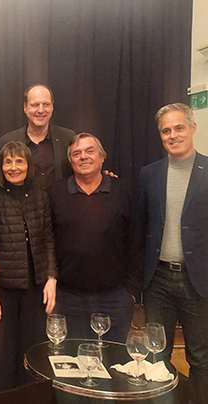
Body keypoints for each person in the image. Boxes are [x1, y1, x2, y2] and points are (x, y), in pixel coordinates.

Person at [138, 103, 208, 403]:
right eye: (166, 130)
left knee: (201, 358)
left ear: (193, 128)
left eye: (179, 128)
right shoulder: (149, 174)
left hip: (199, 281)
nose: (173, 135)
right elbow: (141, 226)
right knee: (157, 357)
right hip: (158, 281)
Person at [0, 140, 57, 391]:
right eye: (8, 162)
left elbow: (48, 240)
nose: (13, 167)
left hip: (35, 289)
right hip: (3, 291)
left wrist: (51, 277)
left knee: (32, 351)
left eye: (19, 161)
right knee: (2, 354)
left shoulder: (41, 197)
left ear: (28, 165)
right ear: (1, 167)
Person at [48, 133, 139, 343]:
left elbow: (136, 240)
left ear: (102, 156)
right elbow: (47, 240)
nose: (83, 157)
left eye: (90, 151)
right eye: (76, 153)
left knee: (114, 358)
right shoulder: (55, 193)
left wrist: (132, 291)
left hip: (115, 297)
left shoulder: (123, 190)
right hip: (68, 298)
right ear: (70, 161)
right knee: (73, 358)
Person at [0, 84, 75, 190]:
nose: (41, 110)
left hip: (60, 200)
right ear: (25, 108)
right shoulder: (7, 141)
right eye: (35, 105)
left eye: (46, 104)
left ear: (52, 107)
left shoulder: (68, 138)